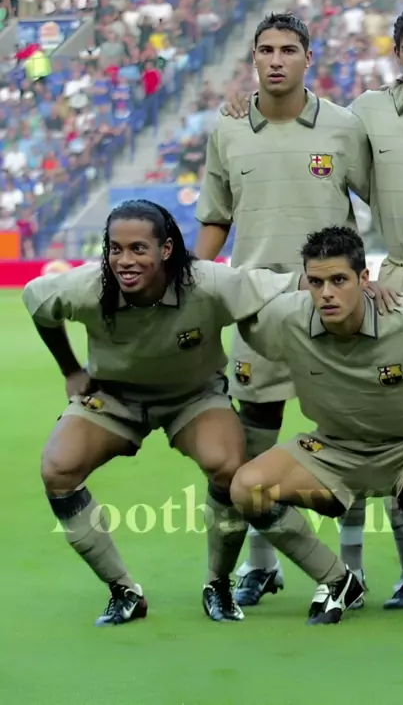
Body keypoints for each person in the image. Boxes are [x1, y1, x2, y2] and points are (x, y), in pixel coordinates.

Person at [222, 3, 403, 620]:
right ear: (397, 55)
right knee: (365, 416)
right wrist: (246, 105)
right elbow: (313, 135)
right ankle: (336, 570)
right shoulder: (365, 113)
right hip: (398, 274)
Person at [22, 198, 312, 626]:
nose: (125, 260)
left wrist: (358, 284)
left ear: (166, 249)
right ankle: (123, 591)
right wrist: (70, 370)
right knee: (57, 469)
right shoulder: (87, 286)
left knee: (228, 467)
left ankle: (218, 584)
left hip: (193, 397)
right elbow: (36, 301)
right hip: (115, 398)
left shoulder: (207, 281)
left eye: (138, 248)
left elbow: (287, 285)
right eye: (116, 249)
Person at [195, 11, 398, 610]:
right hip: (257, 310)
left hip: (333, 306)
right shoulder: (228, 129)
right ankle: (261, 568)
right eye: (266, 49)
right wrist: (188, 283)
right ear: (254, 58)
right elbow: (216, 218)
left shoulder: (343, 126)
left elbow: (384, 202)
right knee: (255, 445)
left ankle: (352, 571)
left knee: (349, 438)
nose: (276, 59)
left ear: (309, 58)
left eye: (289, 49)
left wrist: (389, 273)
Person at [232, 225, 403, 626]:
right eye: (316, 282)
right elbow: (233, 302)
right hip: (332, 450)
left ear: (365, 278)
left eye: (339, 280)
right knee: (246, 488)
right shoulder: (287, 317)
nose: (326, 293)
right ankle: (338, 580)